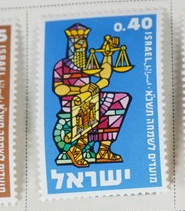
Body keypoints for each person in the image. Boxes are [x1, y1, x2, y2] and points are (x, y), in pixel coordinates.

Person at [51, 23, 131, 168]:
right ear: (71, 45)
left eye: (83, 42)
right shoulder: (61, 65)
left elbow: (104, 76)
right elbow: (59, 89)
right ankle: (77, 149)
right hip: (72, 103)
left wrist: (107, 55)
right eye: (78, 43)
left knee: (121, 99)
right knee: (90, 106)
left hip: (90, 98)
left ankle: (103, 150)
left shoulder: (88, 63)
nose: (81, 46)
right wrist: (81, 90)